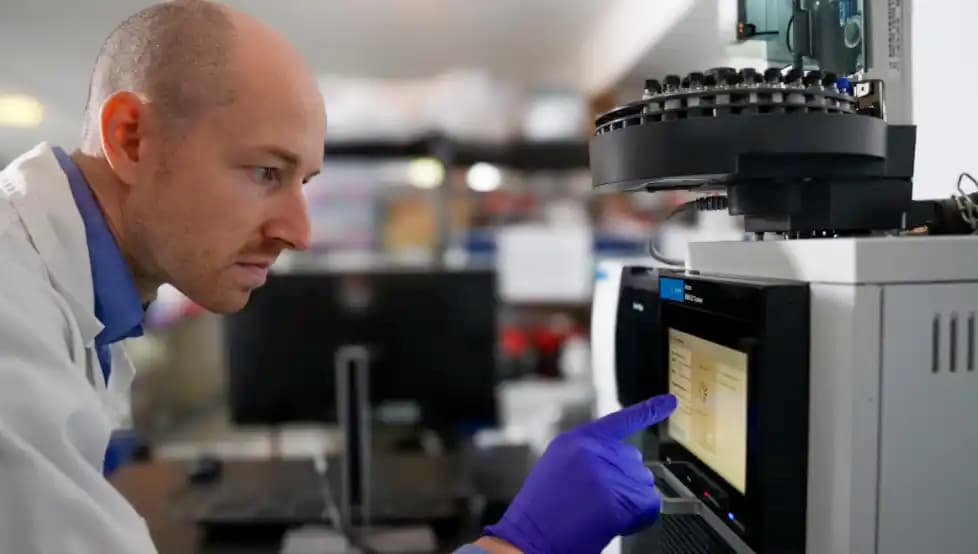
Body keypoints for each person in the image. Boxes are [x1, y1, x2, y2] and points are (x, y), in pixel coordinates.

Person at [0, 2, 677, 552]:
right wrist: (517, 548)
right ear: (131, 138)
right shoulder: (11, 320)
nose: (300, 233)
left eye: (303, 182)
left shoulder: (71, 297)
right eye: (265, 172)